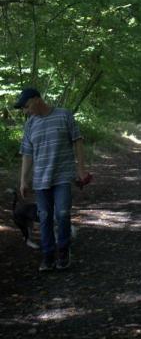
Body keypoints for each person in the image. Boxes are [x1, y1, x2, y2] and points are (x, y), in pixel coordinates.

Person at [14, 87, 89, 272]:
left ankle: (63, 252)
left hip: (63, 175)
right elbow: (27, 154)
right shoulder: (30, 124)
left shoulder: (64, 115)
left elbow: (78, 141)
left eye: (26, 106)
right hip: (40, 179)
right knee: (45, 217)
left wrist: (81, 170)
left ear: (37, 99)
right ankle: (48, 256)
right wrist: (23, 180)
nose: (25, 111)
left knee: (62, 213)